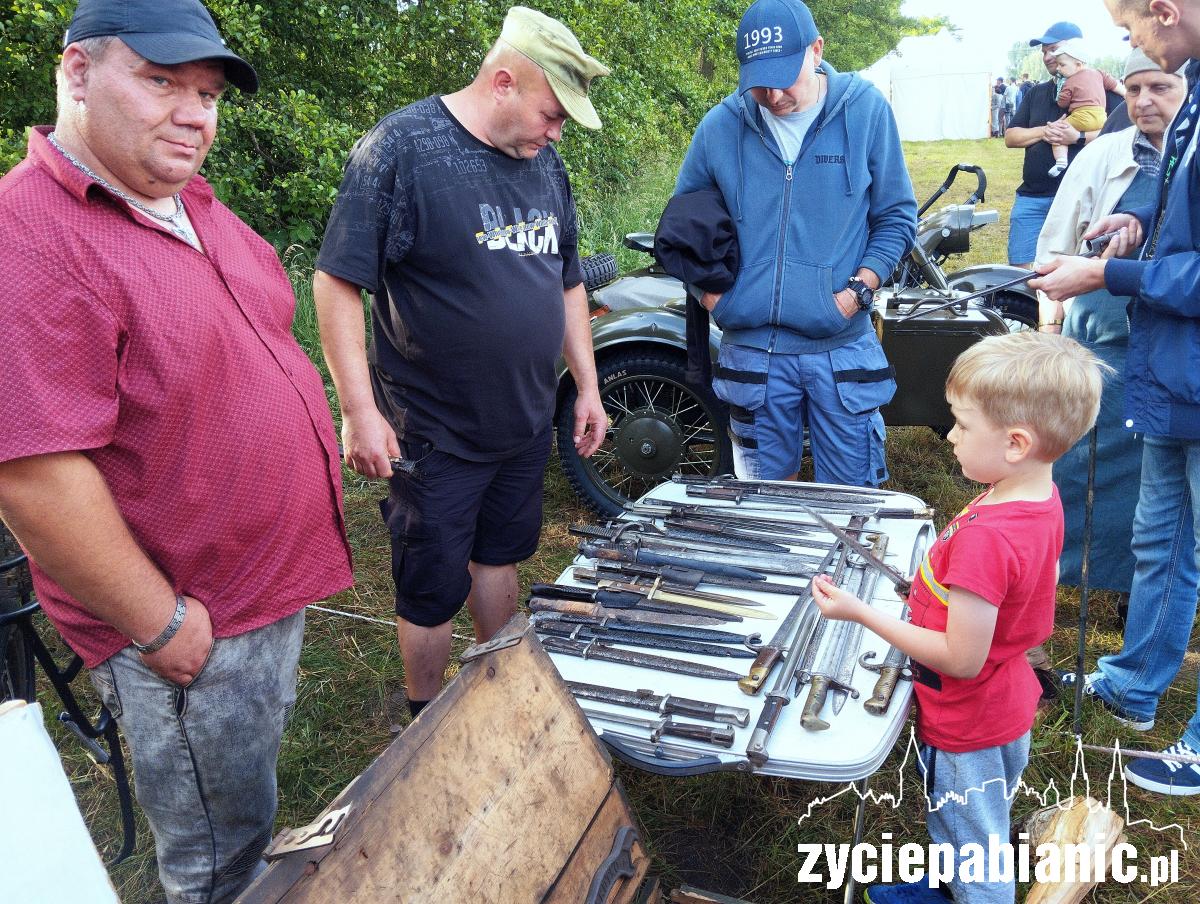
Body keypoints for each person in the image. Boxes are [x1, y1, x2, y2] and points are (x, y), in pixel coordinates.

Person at [0, 1, 354, 901]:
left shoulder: (183, 199)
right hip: (193, 627)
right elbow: (35, 479)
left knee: (244, 805)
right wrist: (161, 627)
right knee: (214, 861)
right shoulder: (31, 233)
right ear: (77, 73)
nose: (195, 114)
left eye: (206, 93)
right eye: (161, 82)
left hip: (260, 592)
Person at [313, 6, 608, 722]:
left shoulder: (545, 165)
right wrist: (359, 410)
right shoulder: (402, 151)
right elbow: (337, 280)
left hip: (523, 418)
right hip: (433, 432)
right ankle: (424, 714)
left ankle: (494, 696)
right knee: (431, 578)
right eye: (551, 113)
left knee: (500, 554)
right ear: (503, 82)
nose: (557, 132)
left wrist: (589, 388)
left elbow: (568, 280)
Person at [813, 331, 1106, 904]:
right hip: (1006, 702)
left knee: (975, 844)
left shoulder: (989, 539)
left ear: (1016, 443)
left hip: (968, 720)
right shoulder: (1033, 496)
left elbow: (962, 658)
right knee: (972, 822)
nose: (951, 435)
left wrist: (859, 612)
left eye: (963, 424)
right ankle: (948, 884)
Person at [1031, 0, 1200, 795]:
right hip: (1173, 377)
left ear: (1164, 13)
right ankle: (1133, 689)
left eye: (1131, 30)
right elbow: (1183, 220)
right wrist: (1136, 220)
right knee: (1160, 542)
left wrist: (1106, 273)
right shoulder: (1194, 97)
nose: (1129, 49)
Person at [673, 0, 916, 486]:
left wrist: (855, 296)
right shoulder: (721, 126)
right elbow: (683, 229)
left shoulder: (865, 111)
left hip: (840, 347)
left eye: (785, 75)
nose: (774, 93)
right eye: (759, 81)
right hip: (752, 354)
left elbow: (895, 218)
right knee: (764, 506)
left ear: (817, 50)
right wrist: (716, 298)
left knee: (850, 506)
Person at [1035, 48, 1186, 604]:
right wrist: (1050, 331)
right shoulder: (1102, 155)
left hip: (1171, 348)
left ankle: (1138, 595)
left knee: (1157, 483)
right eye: (1133, 89)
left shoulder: (1190, 159)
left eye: (1160, 88)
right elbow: (1055, 244)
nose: (1144, 101)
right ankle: (1055, 582)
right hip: (1099, 343)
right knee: (1075, 465)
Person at [1005, 21, 1123, 267]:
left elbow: (1121, 137)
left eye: (1053, 50)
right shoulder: (1035, 93)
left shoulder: (1101, 88)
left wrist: (1077, 137)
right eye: (1044, 51)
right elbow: (1011, 137)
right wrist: (1045, 131)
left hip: (1083, 200)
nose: (1048, 57)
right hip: (1033, 198)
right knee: (1021, 272)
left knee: (1076, 272)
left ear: (1074, 51)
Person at [1046, 42, 1123, 177]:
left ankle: (1061, 161)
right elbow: (1114, 84)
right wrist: (1127, 94)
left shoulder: (1070, 81)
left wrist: (1061, 93)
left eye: (1062, 65)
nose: (1058, 68)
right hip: (1101, 117)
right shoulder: (1099, 73)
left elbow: (1062, 104)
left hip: (1082, 116)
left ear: (1078, 65)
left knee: (1058, 132)